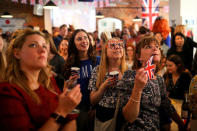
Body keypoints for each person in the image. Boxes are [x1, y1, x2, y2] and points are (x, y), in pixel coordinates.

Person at [0, 29, 82, 130]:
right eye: (33, 45)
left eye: (44, 46)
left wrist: (67, 106)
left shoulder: (48, 81)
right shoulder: (7, 91)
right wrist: (62, 111)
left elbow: (70, 119)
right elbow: (64, 112)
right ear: (17, 53)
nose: (42, 50)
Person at [119, 35, 185, 130]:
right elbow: (129, 117)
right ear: (138, 56)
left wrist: (180, 123)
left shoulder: (159, 79)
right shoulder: (130, 75)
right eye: (148, 47)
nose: (155, 48)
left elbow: (167, 105)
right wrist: (138, 88)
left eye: (157, 46)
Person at [63, 29, 100, 131]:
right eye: (79, 39)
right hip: (79, 109)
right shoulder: (69, 65)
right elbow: (66, 91)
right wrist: (69, 84)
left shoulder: (98, 61)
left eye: (85, 38)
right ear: (73, 44)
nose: (84, 41)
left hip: (97, 107)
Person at [88, 37, 127, 130]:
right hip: (103, 117)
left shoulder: (129, 71)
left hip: (124, 116)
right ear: (105, 51)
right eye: (112, 45)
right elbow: (92, 101)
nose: (117, 48)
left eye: (120, 45)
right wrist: (103, 87)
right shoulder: (97, 71)